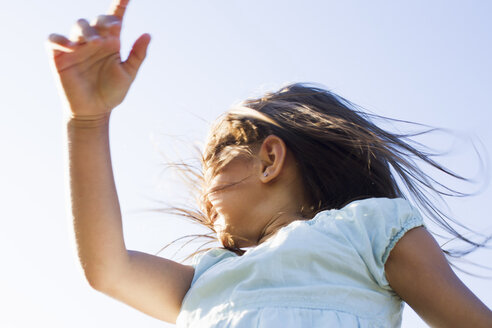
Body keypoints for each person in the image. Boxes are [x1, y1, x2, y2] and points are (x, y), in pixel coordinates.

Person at [47, 0, 492, 327]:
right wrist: (88, 121)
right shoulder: (207, 278)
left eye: (213, 168)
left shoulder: (369, 229)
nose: (204, 201)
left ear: (269, 160)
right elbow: (107, 268)